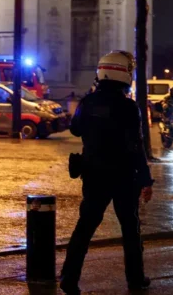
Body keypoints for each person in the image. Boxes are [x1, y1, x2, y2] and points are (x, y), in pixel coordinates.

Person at [60, 51, 154, 294]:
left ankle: (69, 278)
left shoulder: (88, 102)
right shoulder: (128, 107)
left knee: (84, 228)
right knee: (130, 229)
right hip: (124, 176)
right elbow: (137, 146)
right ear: (125, 74)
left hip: (94, 174)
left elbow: (75, 130)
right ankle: (135, 278)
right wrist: (145, 179)